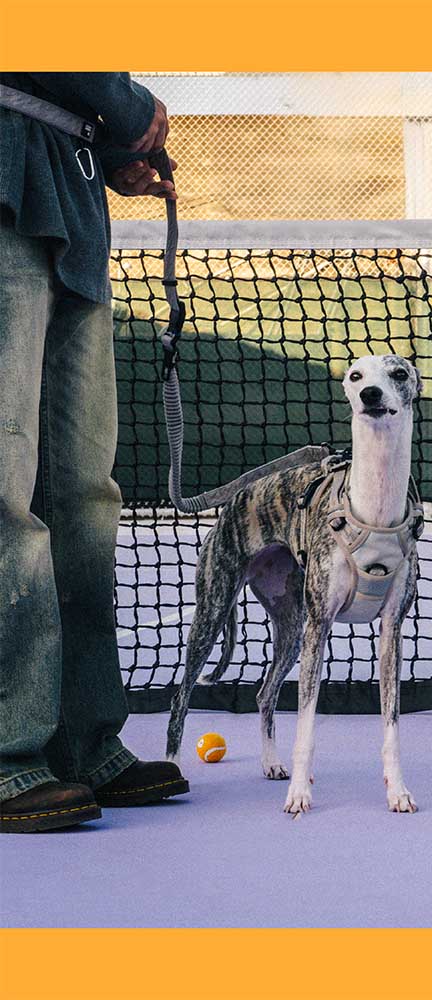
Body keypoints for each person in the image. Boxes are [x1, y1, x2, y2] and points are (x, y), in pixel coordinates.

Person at [0, 73, 189, 832]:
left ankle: (84, 738)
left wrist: (111, 145)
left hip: (67, 183)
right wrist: (130, 107)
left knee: (83, 491)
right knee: (7, 497)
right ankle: (10, 752)